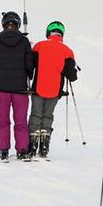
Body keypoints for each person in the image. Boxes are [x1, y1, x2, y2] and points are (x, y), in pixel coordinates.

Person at [0, 11, 34, 161]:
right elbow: (29, 64)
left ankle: (3, 149)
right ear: (18, 24)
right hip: (20, 87)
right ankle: (22, 149)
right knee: (20, 120)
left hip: (1, 87)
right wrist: (29, 75)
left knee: (3, 120)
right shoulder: (24, 41)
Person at [29, 21, 78, 160]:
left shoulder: (39, 46)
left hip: (38, 88)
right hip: (55, 90)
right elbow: (71, 76)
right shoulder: (67, 51)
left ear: (48, 33)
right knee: (47, 116)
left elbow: (30, 65)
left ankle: (32, 146)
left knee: (36, 115)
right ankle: (44, 146)